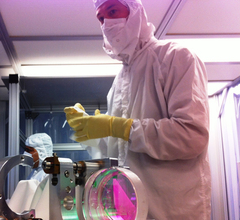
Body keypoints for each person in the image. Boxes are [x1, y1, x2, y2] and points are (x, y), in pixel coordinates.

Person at [64, 0, 211, 219]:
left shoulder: (177, 57)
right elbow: (120, 150)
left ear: (136, 11)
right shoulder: (118, 82)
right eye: (101, 18)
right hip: (128, 211)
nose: (106, 24)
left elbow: (191, 136)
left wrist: (118, 126)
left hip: (174, 210)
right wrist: (91, 134)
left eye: (113, 11)